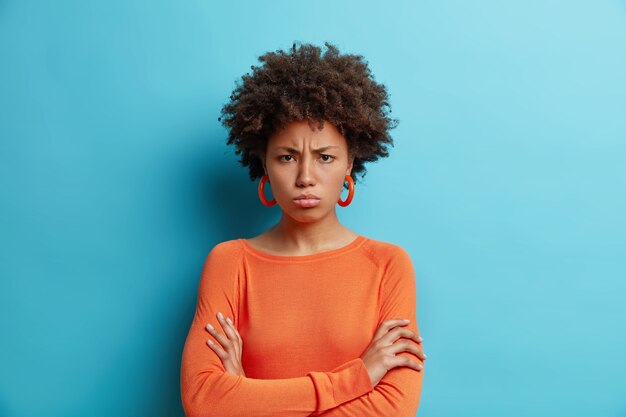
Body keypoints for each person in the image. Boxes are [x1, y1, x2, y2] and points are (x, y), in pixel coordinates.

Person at [180, 41, 426, 417]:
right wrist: (358, 376)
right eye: (287, 157)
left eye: (325, 157)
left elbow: (393, 409)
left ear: (349, 162)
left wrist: (247, 396)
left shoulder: (388, 266)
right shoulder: (230, 263)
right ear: (264, 163)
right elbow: (205, 403)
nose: (306, 177)